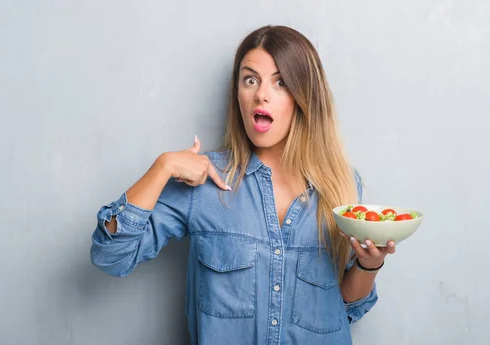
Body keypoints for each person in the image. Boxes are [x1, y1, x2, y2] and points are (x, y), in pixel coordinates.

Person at [90, 25, 397, 345]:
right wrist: (162, 167)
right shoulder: (203, 182)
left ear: (303, 96)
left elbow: (346, 306)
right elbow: (111, 256)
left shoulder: (342, 185)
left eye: (280, 82)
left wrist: (368, 264)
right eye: (250, 79)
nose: (261, 94)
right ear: (237, 93)